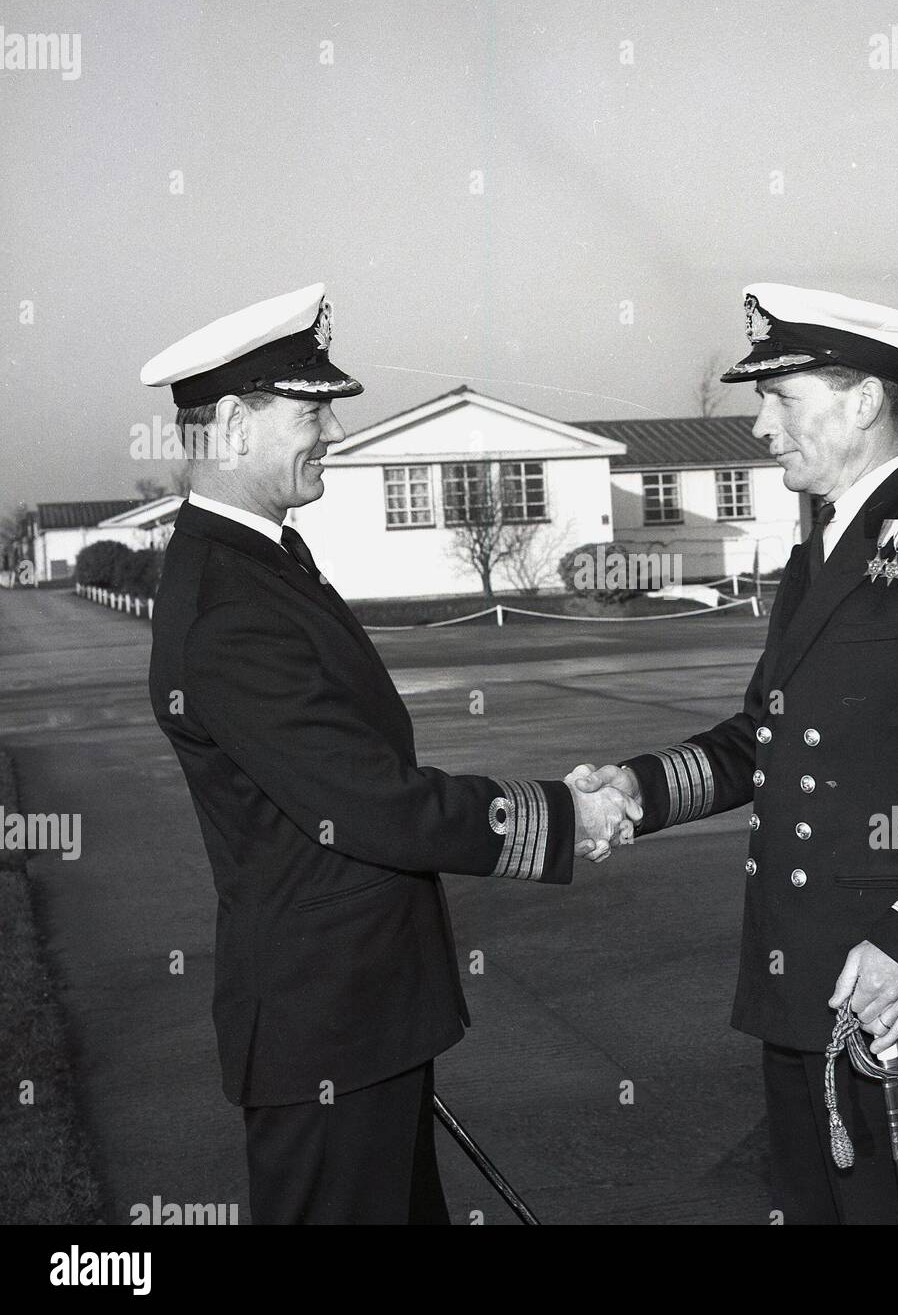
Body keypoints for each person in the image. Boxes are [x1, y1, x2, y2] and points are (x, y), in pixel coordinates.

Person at [571, 282, 898, 1224]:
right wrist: (635, 792)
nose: (762, 427)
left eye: (782, 399)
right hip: (798, 990)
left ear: (865, 400)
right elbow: (763, 739)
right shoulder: (819, 556)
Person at [143, 283, 636, 1224]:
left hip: (359, 1020)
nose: (330, 429)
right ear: (237, 427)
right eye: (310, 409)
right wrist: (567, 815)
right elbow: (374, 803)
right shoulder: (229, 606)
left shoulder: (264, 563)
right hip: (325, 1026)